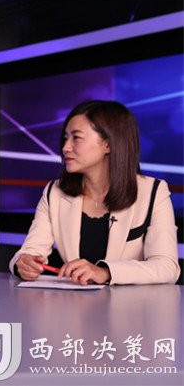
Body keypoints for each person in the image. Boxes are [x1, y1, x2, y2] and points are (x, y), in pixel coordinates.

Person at [10, 100, 180, 285]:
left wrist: (106, 272)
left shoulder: (154, 192)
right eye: (65, 138)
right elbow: (31, 251)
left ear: (108, 144)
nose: (66, 147)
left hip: (130, 303)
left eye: (76, 138)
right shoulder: (54, 192)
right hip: (72, 302)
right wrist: (23, 263)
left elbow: (166, 267)